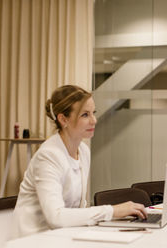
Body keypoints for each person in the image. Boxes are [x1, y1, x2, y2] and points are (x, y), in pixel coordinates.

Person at [12, 85, 147, 238]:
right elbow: (55, 218)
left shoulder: (83, 151)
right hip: (31, 243)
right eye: (85, 115)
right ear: (63, 119)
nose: (94, 120)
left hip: (61, 237)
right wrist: (112, 211)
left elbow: (78, 209)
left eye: (93, 113)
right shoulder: (49, 155)